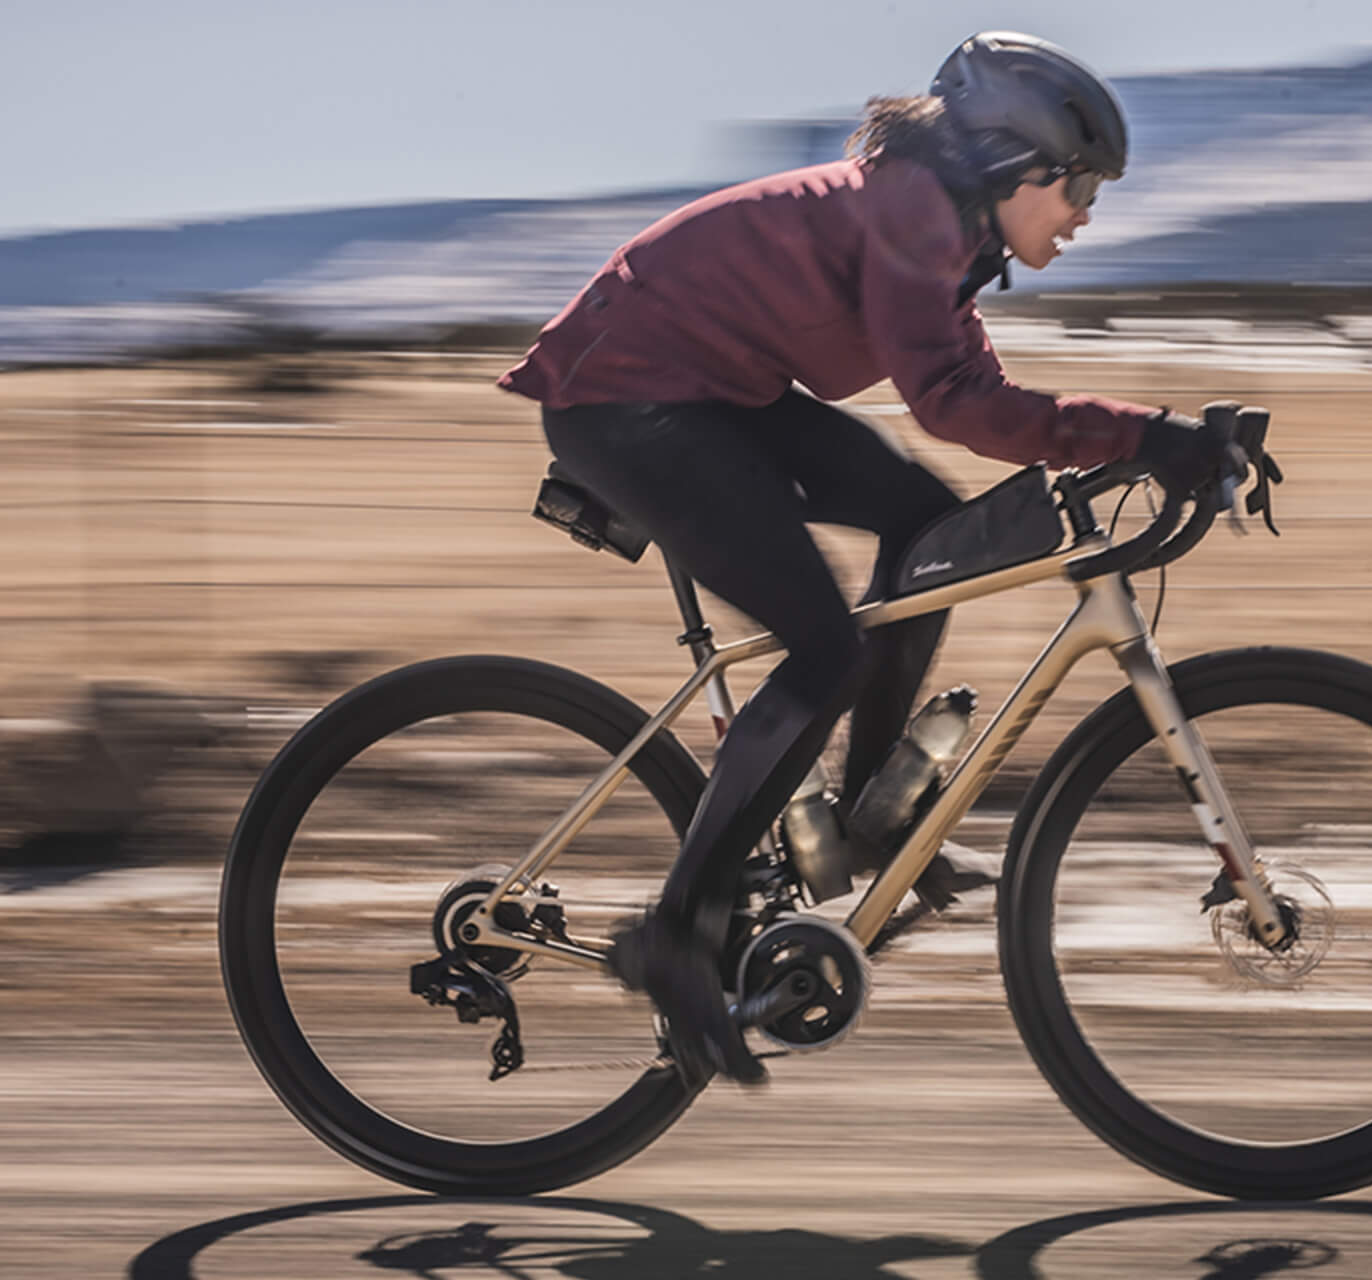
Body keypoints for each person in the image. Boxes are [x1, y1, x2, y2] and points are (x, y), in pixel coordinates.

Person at [497, 31, 1242, 1087]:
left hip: (710, 393)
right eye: (1079, 185)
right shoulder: (915, 215)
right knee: (824, 649)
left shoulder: (941, 232)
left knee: (925, 527)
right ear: (1014, 161)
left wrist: (1143, 440)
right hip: (629, 403)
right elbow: (961, 407)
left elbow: (970, 390)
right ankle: (674, 932)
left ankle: (868, 821)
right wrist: (1148, 436)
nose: (1087, 212)